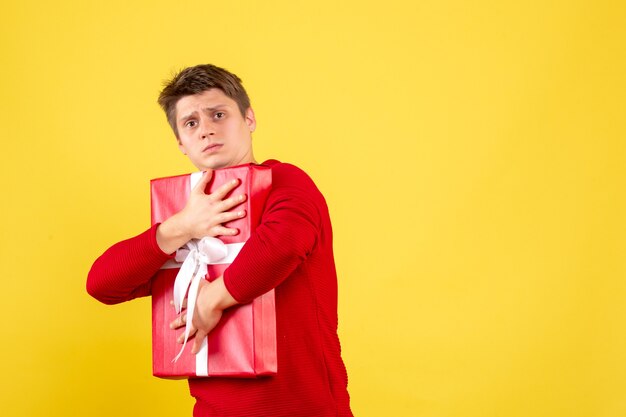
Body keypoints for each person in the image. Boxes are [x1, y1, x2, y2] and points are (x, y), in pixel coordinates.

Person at [86, 64, 353, 417]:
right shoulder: (184, 215)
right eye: (191, 123)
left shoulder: (286, 181)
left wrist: (211, 298)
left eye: (218, 114)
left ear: (249, 119)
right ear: (181, 143)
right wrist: (180, 227)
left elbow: (283, 245)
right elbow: (102, 284)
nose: (206, 130)